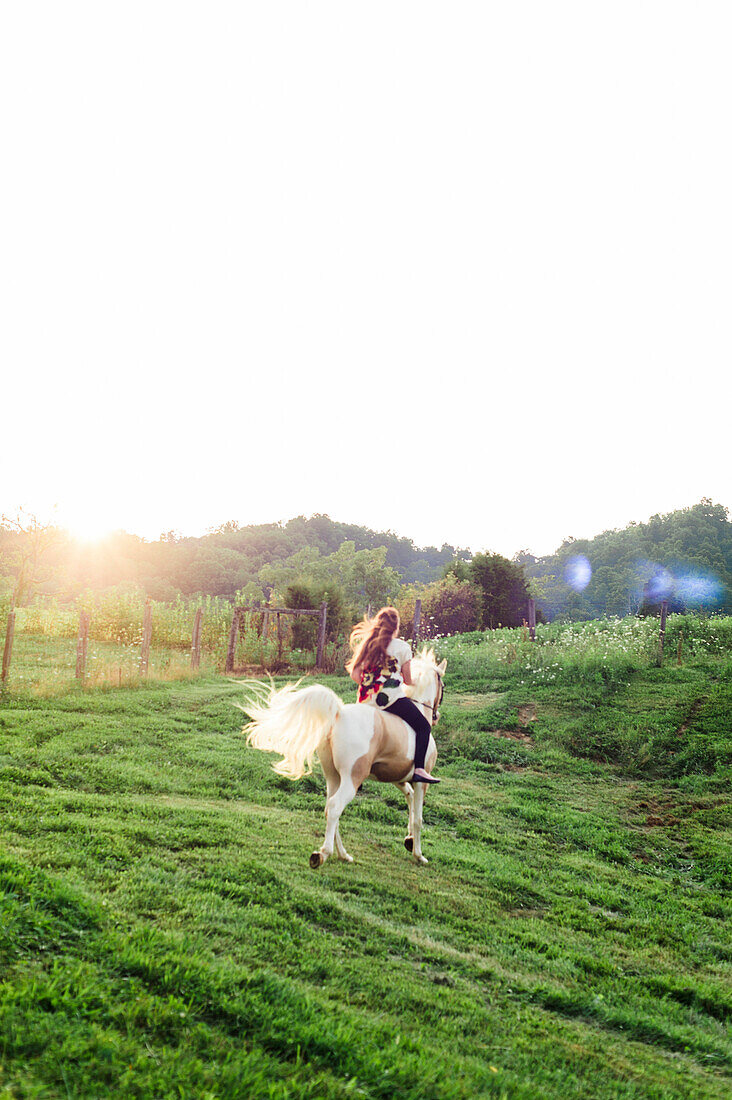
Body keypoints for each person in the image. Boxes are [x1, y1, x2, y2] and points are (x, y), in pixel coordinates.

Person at [345, 606, 440, 783]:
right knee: (423, 727)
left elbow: (354, 674)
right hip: (391, 700)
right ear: (396, 627)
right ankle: (419, 769)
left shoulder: (367, 645)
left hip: (365, 700)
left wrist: (372, 686)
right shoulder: (402, 647)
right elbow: (408, 680)